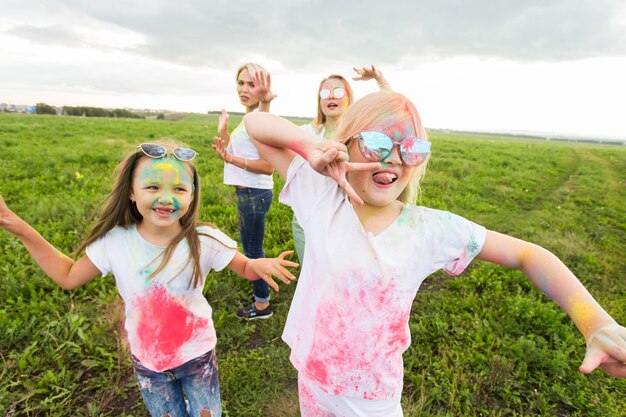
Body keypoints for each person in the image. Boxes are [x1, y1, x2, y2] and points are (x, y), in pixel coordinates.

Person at [243, 92, 626, 417]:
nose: (393, 158)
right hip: (310, 377)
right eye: (377, 143)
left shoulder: (429, 229)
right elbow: (257, 125)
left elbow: (528, 255)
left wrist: (595, 322)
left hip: (372, 399)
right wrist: (311, 146)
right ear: (345, 143)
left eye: (410, 148)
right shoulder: (320, 196)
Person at [0, 141, 298, 417]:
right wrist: (22, 230)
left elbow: (244, 267)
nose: (166, 198)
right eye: (153, 186)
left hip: (197, 357)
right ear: (131, 191)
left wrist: (259, 264)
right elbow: (67, 276)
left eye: (180, 189)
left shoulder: (204, 239)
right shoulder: (115, 242)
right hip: (149, 363)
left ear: (192, 194)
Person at [292, 65, 392, 263]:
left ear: (349, 98)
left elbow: (391, 111)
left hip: (348, 222)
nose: (331, 97)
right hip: (306, 222)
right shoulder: (307, 133)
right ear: (319, 101)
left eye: (338, 91)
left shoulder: (361, 134)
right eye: (325, 92)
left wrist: (379, 79)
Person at [211, 63, 278, 320]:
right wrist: (223, 132)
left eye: (251, 84)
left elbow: (268, 167)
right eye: (241, 83)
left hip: (254, 194)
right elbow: (241, 152)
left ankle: (262, 305)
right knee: (252, 247)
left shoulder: (257, 119)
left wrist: (231, 160)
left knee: (252, 251)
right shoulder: (248, 118)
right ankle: (261, 297)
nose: (244, 89)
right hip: (249, 194)